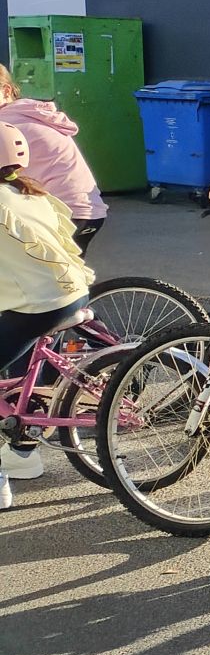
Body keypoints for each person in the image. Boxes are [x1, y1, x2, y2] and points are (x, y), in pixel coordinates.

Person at [0, 122, 94, 497]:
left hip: (38, 305)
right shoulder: (29, 193)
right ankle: (22, 451)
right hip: (71, 294)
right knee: (21, 375)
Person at [0, 63, 107, 254]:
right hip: (87, 211)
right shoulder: (27, 112)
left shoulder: (6, 125)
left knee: (25, 266)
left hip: (66, 214)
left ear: (6, 90)